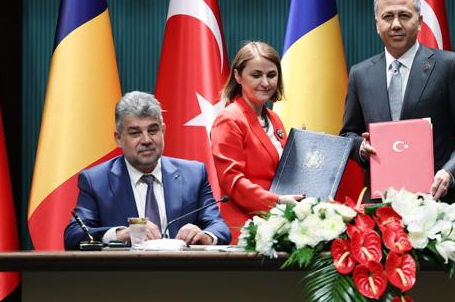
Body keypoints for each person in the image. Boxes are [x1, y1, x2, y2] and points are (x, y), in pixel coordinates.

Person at [340, 0, 455, 202]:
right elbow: (348, 134)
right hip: (381, 203)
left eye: (404, 16)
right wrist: (360, 148)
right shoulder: (360, 74)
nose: (396, 24)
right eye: (387, 17)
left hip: (437, 200)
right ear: (377, 25)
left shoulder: (449, 66)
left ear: (419, 22)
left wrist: (450, 171)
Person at [63, 91, 230, 249]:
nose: (146, 140)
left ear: (163, 131)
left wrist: (204, 236)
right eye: (135, 133)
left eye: (153, 130)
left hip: (181, 268)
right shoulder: (96, 181)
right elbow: (74, 235)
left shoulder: (193, 174)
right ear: (119, 139)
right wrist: (121, 234)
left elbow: (219, 227)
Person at [211, 41, 304, 242]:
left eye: (271, 75)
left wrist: (308, 149)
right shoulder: (229, 119)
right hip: (245, 232)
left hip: (277, 228)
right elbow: (232, 182)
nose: (265, 82)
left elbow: (281, 171)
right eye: (256, 75)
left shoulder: (274, 118)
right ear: (238, 76)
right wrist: (276, 202)